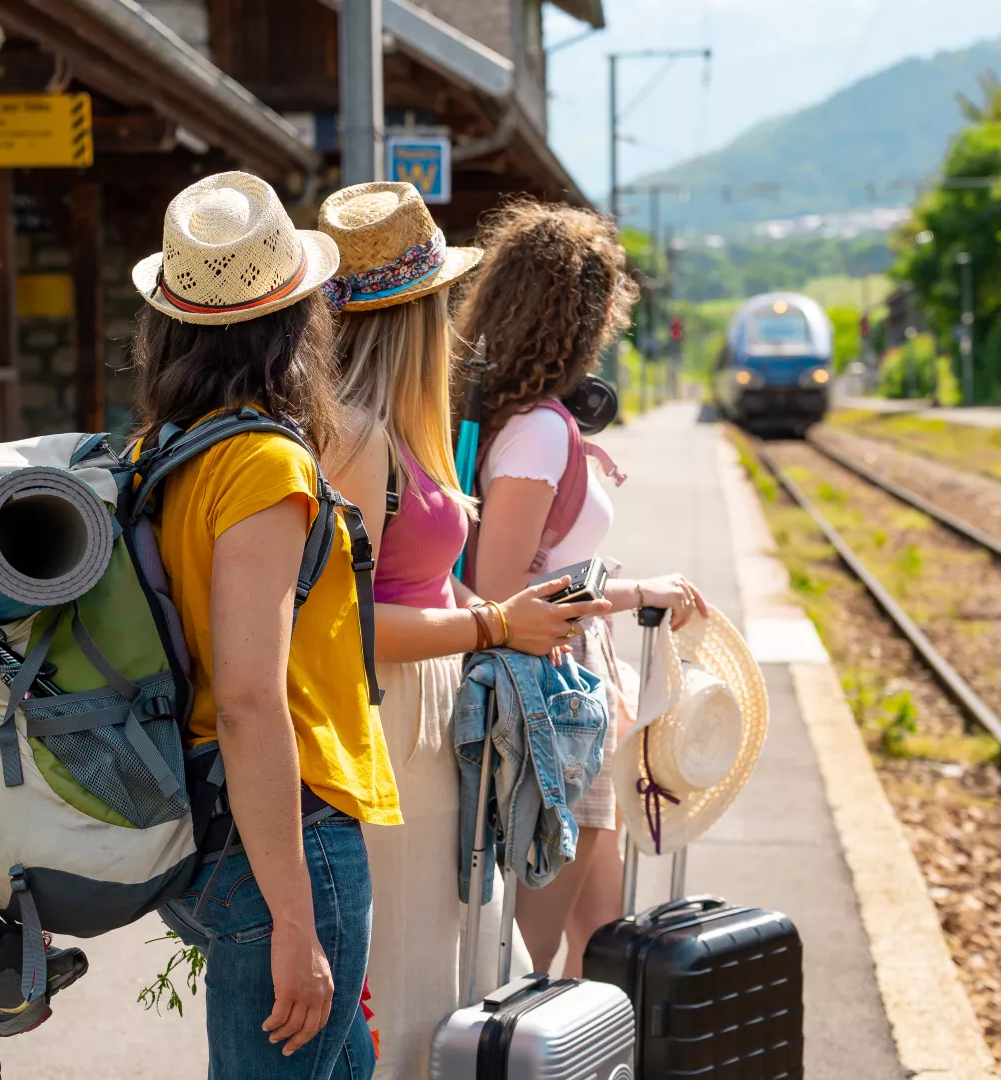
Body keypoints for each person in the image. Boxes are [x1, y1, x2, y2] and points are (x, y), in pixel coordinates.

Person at [316, 182, 608, 1079]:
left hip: (429, 718)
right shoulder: (362, 435)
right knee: (412, 983)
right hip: (392, 725)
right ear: (418, 312)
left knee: (456, 969)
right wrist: (493, 624)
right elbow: (341, 628)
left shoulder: (400, 424)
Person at [132, 171, 396, 1080]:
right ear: (295, 317)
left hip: (211, 817)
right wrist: (294, 918)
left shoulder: (157, 456)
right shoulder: (259, 464)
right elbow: (248, 699)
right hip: (285, 836)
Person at [457, 201, 710, 977]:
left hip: (567, 693)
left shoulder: (508, 419)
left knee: (601, 930)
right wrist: (633, 594)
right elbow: (507, 596)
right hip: (552, 706)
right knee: (531, 961)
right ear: (585, 316)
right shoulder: (536, 433)